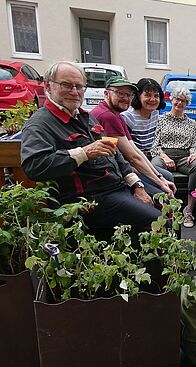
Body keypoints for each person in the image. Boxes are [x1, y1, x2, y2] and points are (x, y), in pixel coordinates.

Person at [20, 61, 160, 237]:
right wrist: (83, 153)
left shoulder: (87, 117)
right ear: (48, 86)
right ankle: (150, 263)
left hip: (118, 187)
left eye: (79, 86)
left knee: (166, 202)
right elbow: (34, 166)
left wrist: (136, 184)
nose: (74, 91)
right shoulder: (40, 123)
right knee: (160, 222)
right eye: (66, 85)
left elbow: (116, 155)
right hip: (92, 199)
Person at [91, 77, 175, 197]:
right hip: (110, 175)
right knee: (162, 195)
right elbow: (132, 157)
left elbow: (134, 150)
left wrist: (160, 177)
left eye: (129, 94)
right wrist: (160, 183)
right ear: (106, 93)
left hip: (123, 166)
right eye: (120, 93)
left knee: (165, 178)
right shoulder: (108, 116)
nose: (125, 98)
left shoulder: (116, 115)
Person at [150, 88, 196, 228]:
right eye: (177, 99)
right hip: (164, 155)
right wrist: (164, 156)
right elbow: (154, 145)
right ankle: (166, 209)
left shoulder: (192, 123)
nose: (180, 103)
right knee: (155, 165)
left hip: (184, 157)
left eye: (184, 101)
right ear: (171, 99)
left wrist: (194, 154)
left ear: (187, 104)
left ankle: (189, 210)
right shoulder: (161, 120)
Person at [121, 78, 166, 158]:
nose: (152, 99)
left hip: (150, 157)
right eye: (147, 95)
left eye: (156, 96)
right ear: (138, 96)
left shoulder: (155, 113)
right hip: (134, 160)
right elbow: (125, 150)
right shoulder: (128, 117)